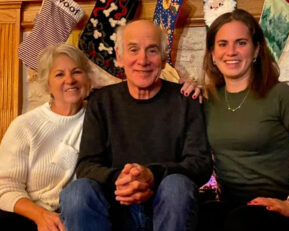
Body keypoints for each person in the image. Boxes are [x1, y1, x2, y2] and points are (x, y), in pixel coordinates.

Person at [59, 19, 212, 231]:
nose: (143, 60)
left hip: (167, 208)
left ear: (164, 58)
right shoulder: (101, 102)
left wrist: (152, 175)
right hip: (114, 210)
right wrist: (119, 178)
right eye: (133, 50)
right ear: (119, 57)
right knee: (76, 191)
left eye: (152, 50)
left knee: (177, 185)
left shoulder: (186, 100)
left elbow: (201, 165)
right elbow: (87, 165)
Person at [192, 9, 289, 231]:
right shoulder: (207, 99)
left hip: (270, 205)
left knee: (240, 223)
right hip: (227, 202)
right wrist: (183, 92)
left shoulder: (280, 95)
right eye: (222, 44)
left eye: (241, 43)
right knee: (197, 218)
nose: (231, 51)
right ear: (212, 53)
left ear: (256, 50)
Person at [0, 43, 92, 231]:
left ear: (88, 78)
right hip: (31, 214)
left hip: (78, 213)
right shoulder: (25, 125)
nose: (70, 80)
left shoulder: (99, 120)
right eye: (59, 74)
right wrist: (41, 217)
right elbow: (5, 188)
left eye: (77, 72)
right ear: (47, 84)